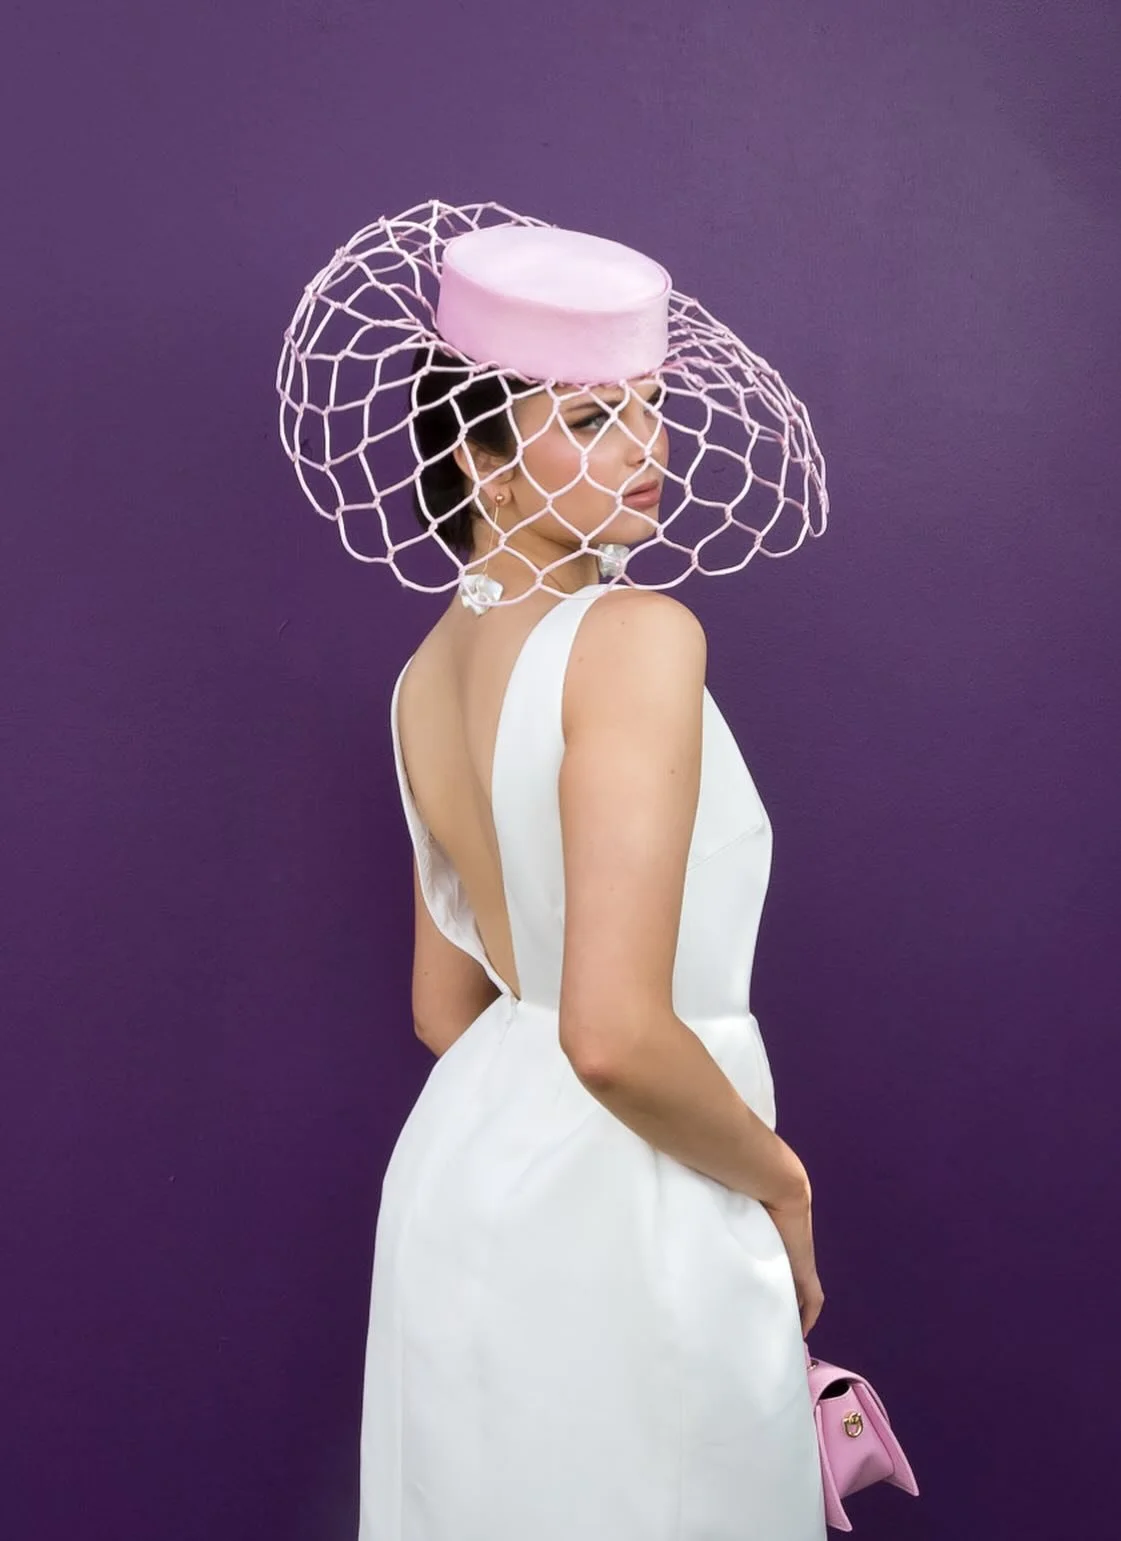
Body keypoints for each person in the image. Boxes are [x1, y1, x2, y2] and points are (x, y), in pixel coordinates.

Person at [278, 204, 830, 1539]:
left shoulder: (424, 677)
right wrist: (782, 1185)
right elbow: (611, 1034)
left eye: (647, 409)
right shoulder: (637, 636)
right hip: (628, 1184)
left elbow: (444, 1011)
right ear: (487, 463)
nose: (647, 452)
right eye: (589, 421)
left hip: (465, 1176)